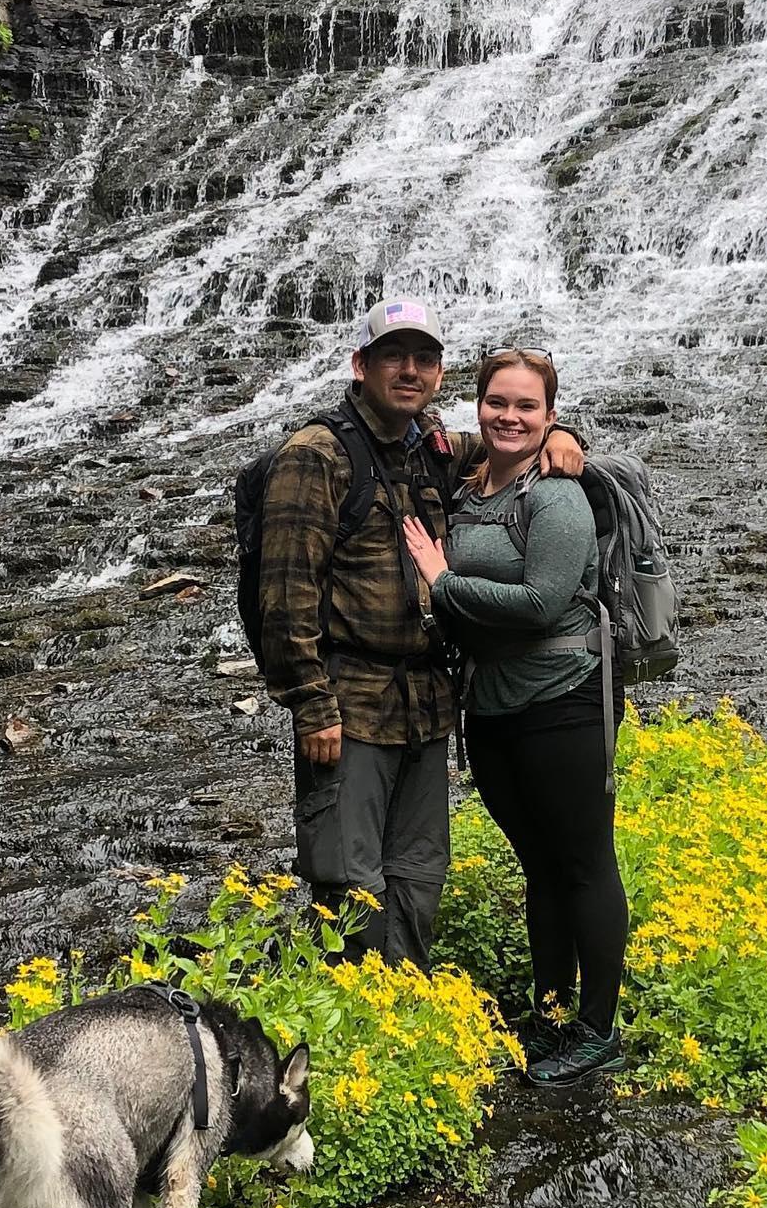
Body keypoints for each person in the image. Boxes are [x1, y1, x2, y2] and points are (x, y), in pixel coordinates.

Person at [257, 301, 584, 969]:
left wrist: (563, 435)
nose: (410, 370)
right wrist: (310, 703)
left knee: (418, 870)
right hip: (348, 704)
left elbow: (512, 436)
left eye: (424, 359)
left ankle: (404, 999)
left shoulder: (432, 446)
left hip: (427, 704)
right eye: (394, 357)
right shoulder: (315, 457)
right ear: (362, 364)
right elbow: (285, 593)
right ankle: (353, 1019)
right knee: (348, 876)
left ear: (439, 375)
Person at [403, 348, 629, 1087]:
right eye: (498, 402)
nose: (510, 416)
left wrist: (443, 583)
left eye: (528, 407)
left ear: (550, 416)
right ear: (479, 405)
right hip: (494, 708)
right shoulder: (471, 487)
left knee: (584, 863)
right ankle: (552, 1009)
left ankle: (597, 1030)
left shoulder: (556, 494)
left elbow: (540, 604)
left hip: (563, 700)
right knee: (539, 867)